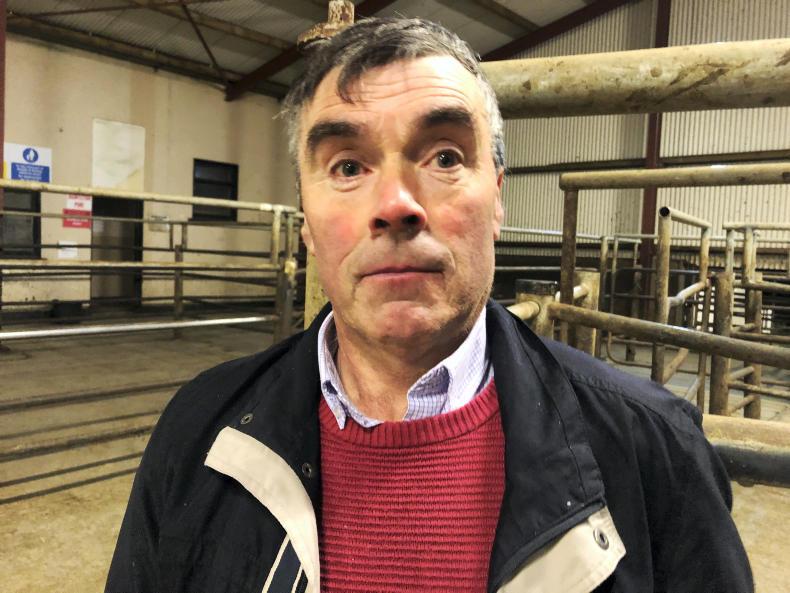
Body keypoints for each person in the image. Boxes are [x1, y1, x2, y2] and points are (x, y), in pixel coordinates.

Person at [106, 17, 752, 593]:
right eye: (347, 167)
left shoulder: (652, 449)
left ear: (496, 198)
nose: (395, 204)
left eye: (445, 156)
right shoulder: (202, 431)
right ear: (305, 220)